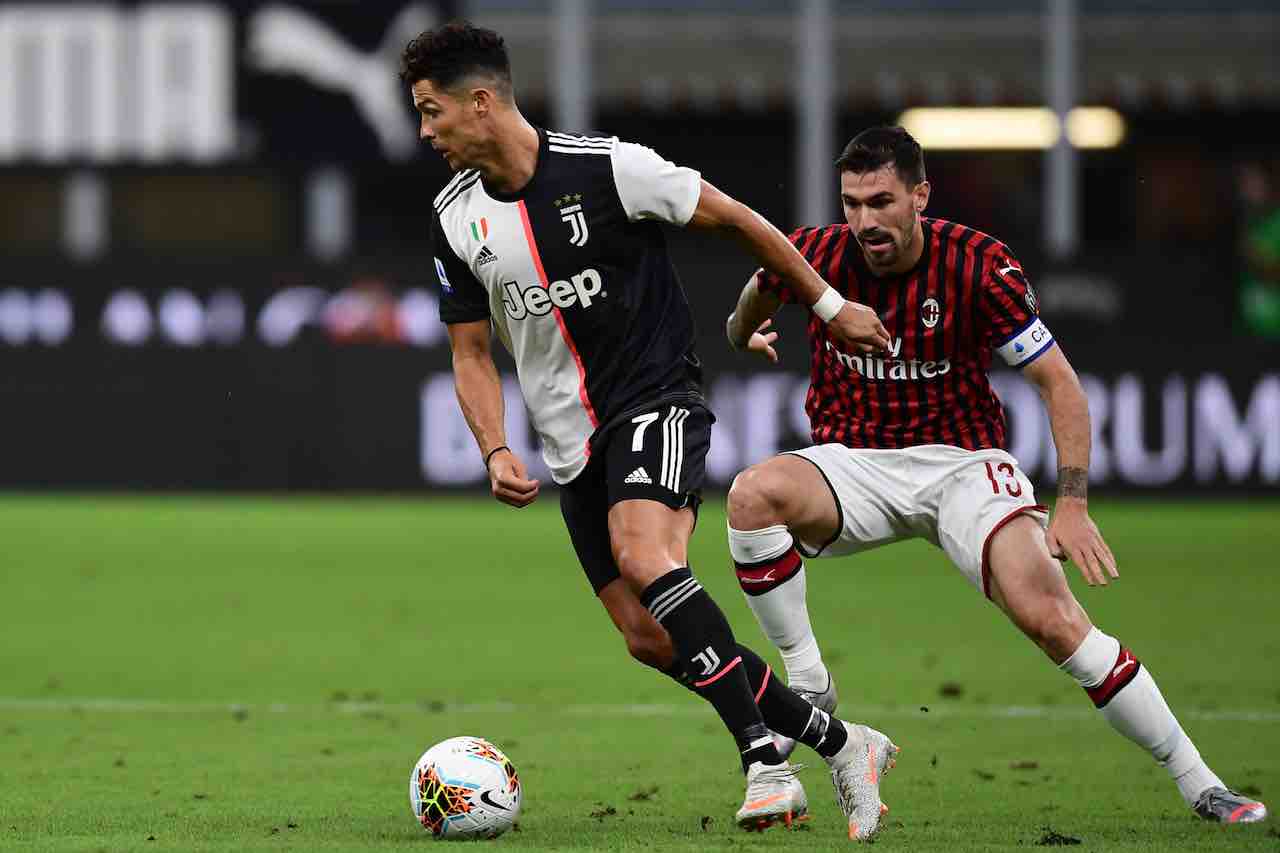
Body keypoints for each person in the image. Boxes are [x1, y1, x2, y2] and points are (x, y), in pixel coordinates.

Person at [405, 22, 898, 836]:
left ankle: (764, 764)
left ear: (482, 102)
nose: (425, 132)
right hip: (573, 447)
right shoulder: (454, 218)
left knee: (646, 555)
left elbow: (740, 220)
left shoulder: (609, 168)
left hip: (656, 398)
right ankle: (842, 744)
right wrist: (493, 443)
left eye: (432, 111)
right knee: (643, 633)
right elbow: (471, 352)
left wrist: (830, 304)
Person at [724, 126, 1268, 828]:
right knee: (749, 495)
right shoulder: (820, 255)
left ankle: (1200, 781)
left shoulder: (979, 265)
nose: (864, 220)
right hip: (853, 460)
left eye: (881, 200)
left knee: (1053, 618)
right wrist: (745, 333)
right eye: (852, 203)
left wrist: (1070, 501)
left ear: (920, 195)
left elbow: (1060, 385)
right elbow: (755, 294)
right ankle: (810, 679)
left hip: (962, 465)